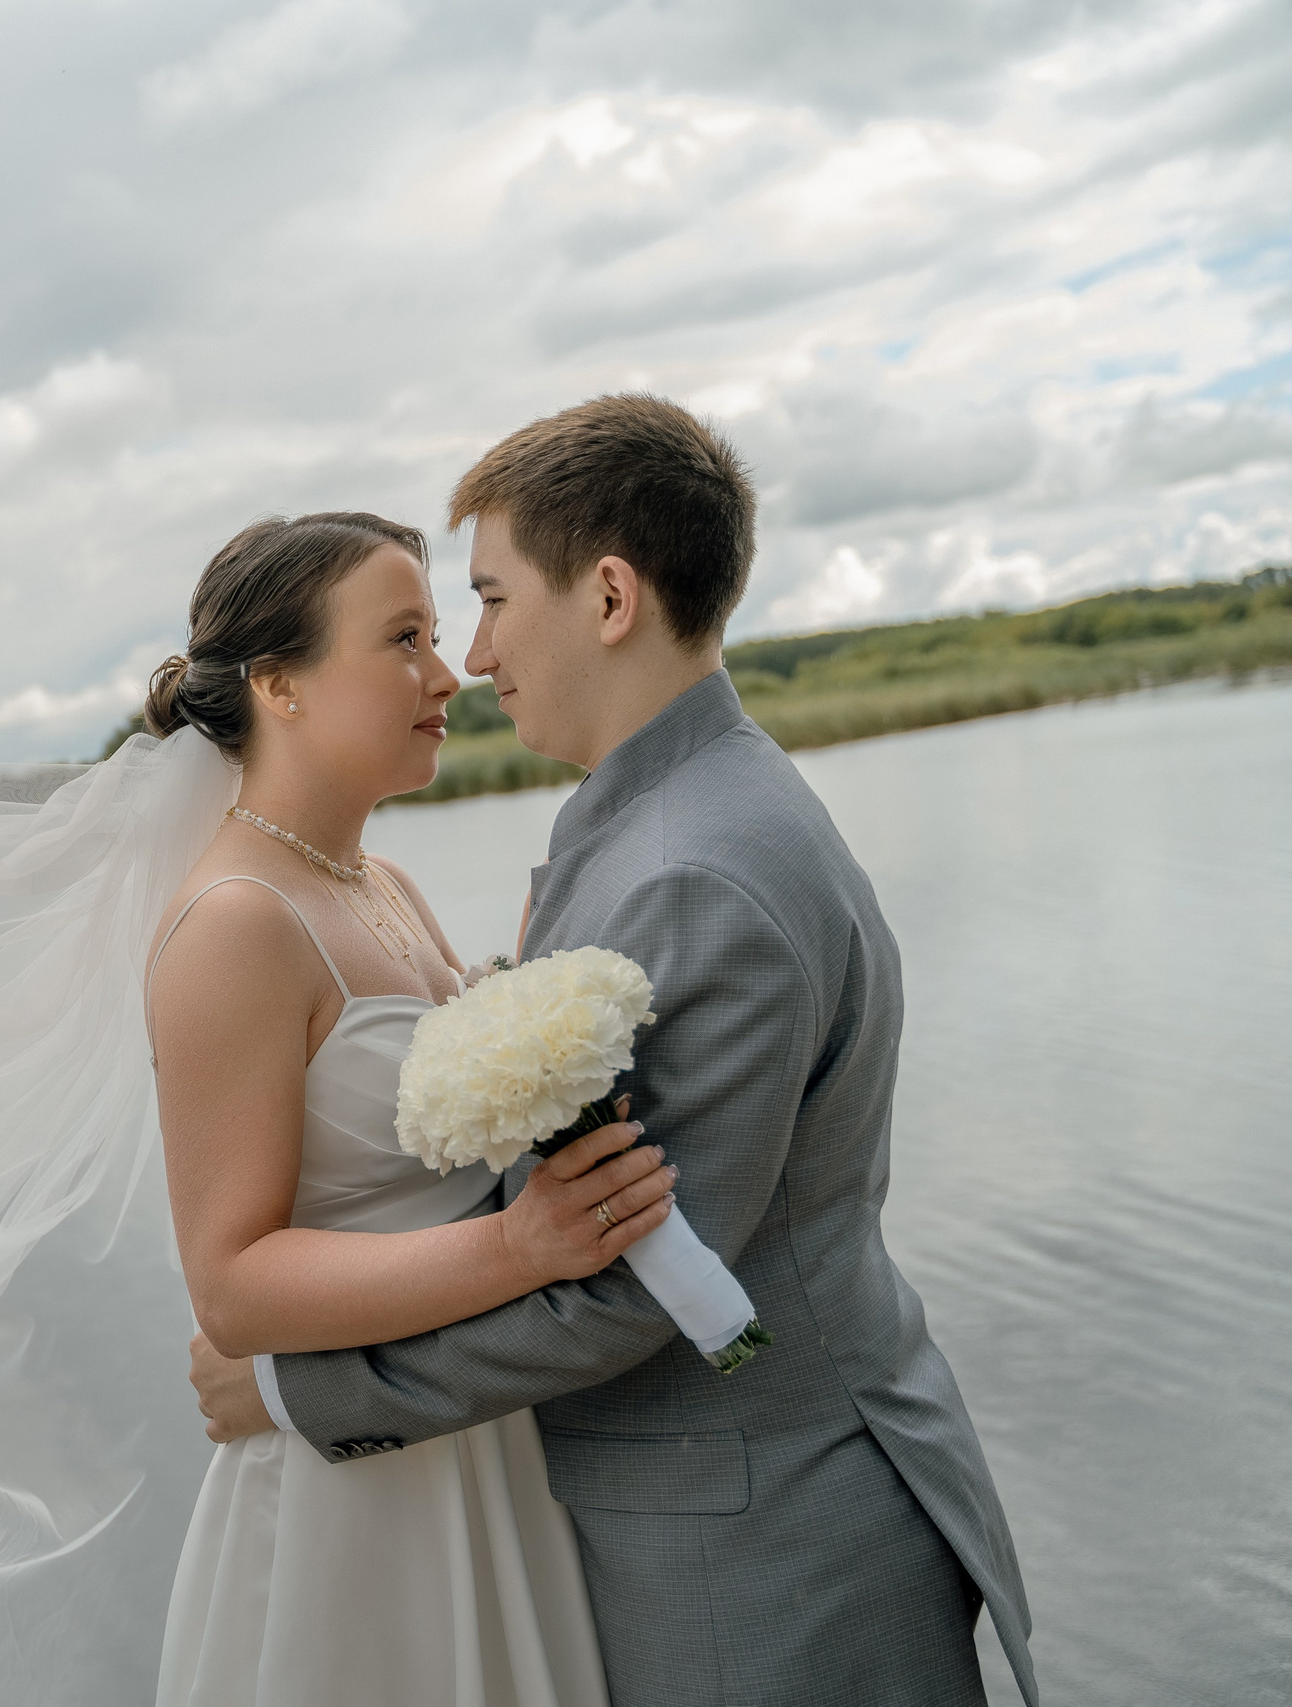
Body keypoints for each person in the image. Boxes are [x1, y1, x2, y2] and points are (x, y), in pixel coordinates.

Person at [188, 397, 1038, 1706]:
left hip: (761, 1550)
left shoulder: (693, 864)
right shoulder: (664, 813)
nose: (470, 656)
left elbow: (635, 1282)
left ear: (609, 595)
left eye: (488, 599)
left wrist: (301, 1393)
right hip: (691, 1508)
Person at [142, 510, 678, 1706]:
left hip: (478, 1448)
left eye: (436, 635)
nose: (448, 674)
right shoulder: (233, 926)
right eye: (402, 639)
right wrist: (517, 1246)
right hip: (354, 1514)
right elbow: (229, 1287)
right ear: (278, 683)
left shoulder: (381, 881)